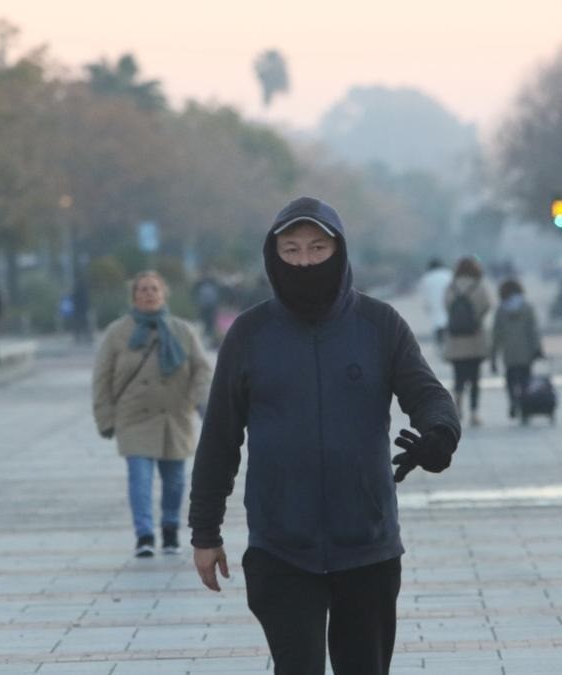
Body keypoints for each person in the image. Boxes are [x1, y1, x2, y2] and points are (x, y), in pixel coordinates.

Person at [189, 197, 460, 675]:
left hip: (367, 544)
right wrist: (205, 530)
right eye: (291, 250)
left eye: (318, 247)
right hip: (280, 545)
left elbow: (427, 392)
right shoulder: (250, 334)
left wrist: (439, 434)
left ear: (339, 250)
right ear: (274, 256)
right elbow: (219, 437)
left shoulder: (379, 325)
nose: (305, 260)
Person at [92, 270, 212, 558]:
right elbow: (102, 377)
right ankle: (144, 535)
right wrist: (105, 417)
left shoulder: (183, 330)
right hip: (134, 416)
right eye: (142, 289)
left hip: (175, 415)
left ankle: (170, 529)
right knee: (139, 478)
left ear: (163, 294)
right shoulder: (117, 332)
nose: (148, 293)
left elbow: (201, 370)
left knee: (175, 481)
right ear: (134, 296)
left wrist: (203, 403)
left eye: (154, 289)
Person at [442, 256, 492, 427]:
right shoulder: (479, 287)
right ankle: (474, 413)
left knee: (458, 376)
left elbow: (447, 305)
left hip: (456, 340)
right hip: (474, 339)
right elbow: (487, 305)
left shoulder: (451, 287)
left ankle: (457, 407)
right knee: (475, 378)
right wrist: (475, 319)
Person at [490, 279, 543, 419]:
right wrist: (537, 348)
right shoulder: (527, 307)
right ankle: (525, 407)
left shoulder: (501, 310)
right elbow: (533, 331)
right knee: (525, 381)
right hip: (526, 352)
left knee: (510, 380)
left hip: (509, 353)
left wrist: (493, 356)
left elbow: (496, 334)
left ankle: (513, 401)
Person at [419, 258, 453, 346]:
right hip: (449, 306)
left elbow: (424, 296)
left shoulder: (426, 278)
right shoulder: (449, 274)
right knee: (449, 326)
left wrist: (427, 307)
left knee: (438, 326)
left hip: (435, 306)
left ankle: (441, 346)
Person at [191, 272, 223, 347]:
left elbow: (219, 295)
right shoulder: (201, 283)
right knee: (203, 324)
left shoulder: (214, 284)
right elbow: (194, 293)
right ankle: (202, 340)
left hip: (210, 307)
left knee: (209, 325)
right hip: (204, 307)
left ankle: (207, 340)